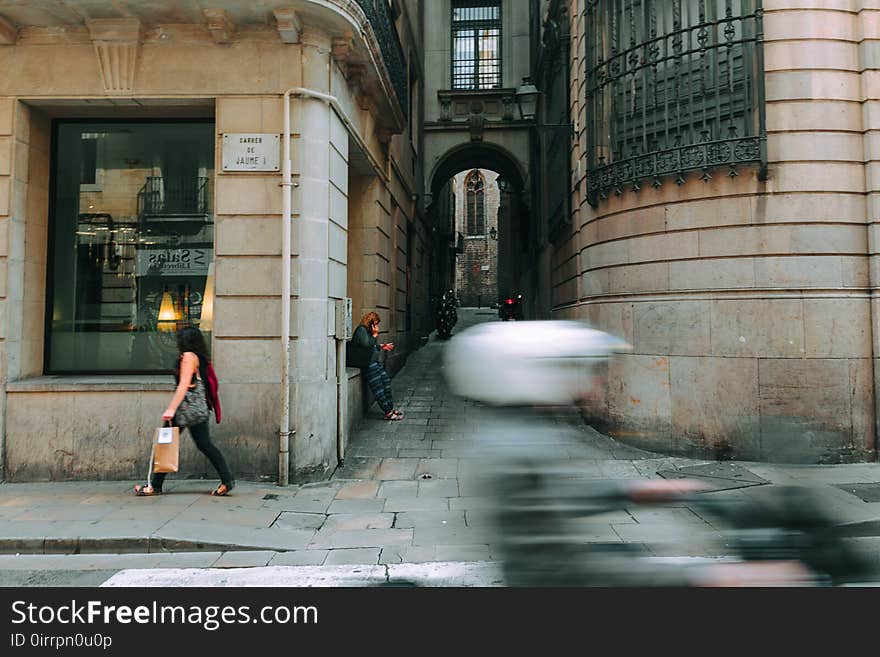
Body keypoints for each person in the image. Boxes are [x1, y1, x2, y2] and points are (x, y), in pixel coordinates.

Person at [135, 325, 235, 496]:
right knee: (204, 445)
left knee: (166, 444)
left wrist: (171, 409)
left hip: (185, 410)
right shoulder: (200, 357)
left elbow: (183, 385)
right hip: (198, 409)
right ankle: (227, 481)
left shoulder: (188, 357)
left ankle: (155, 486)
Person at [348, 312, 403, 421]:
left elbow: (371, 345)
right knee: (378, 388)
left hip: (374, 363)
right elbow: (366, 344)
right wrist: (374, 335)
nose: (377, 326)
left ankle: (390, 408)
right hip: (368, 364)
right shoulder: (361, 330)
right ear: (370, 322)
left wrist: (382, 346)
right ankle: (387, 412)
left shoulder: (368, 332)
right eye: (376, 324)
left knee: (386, 382)